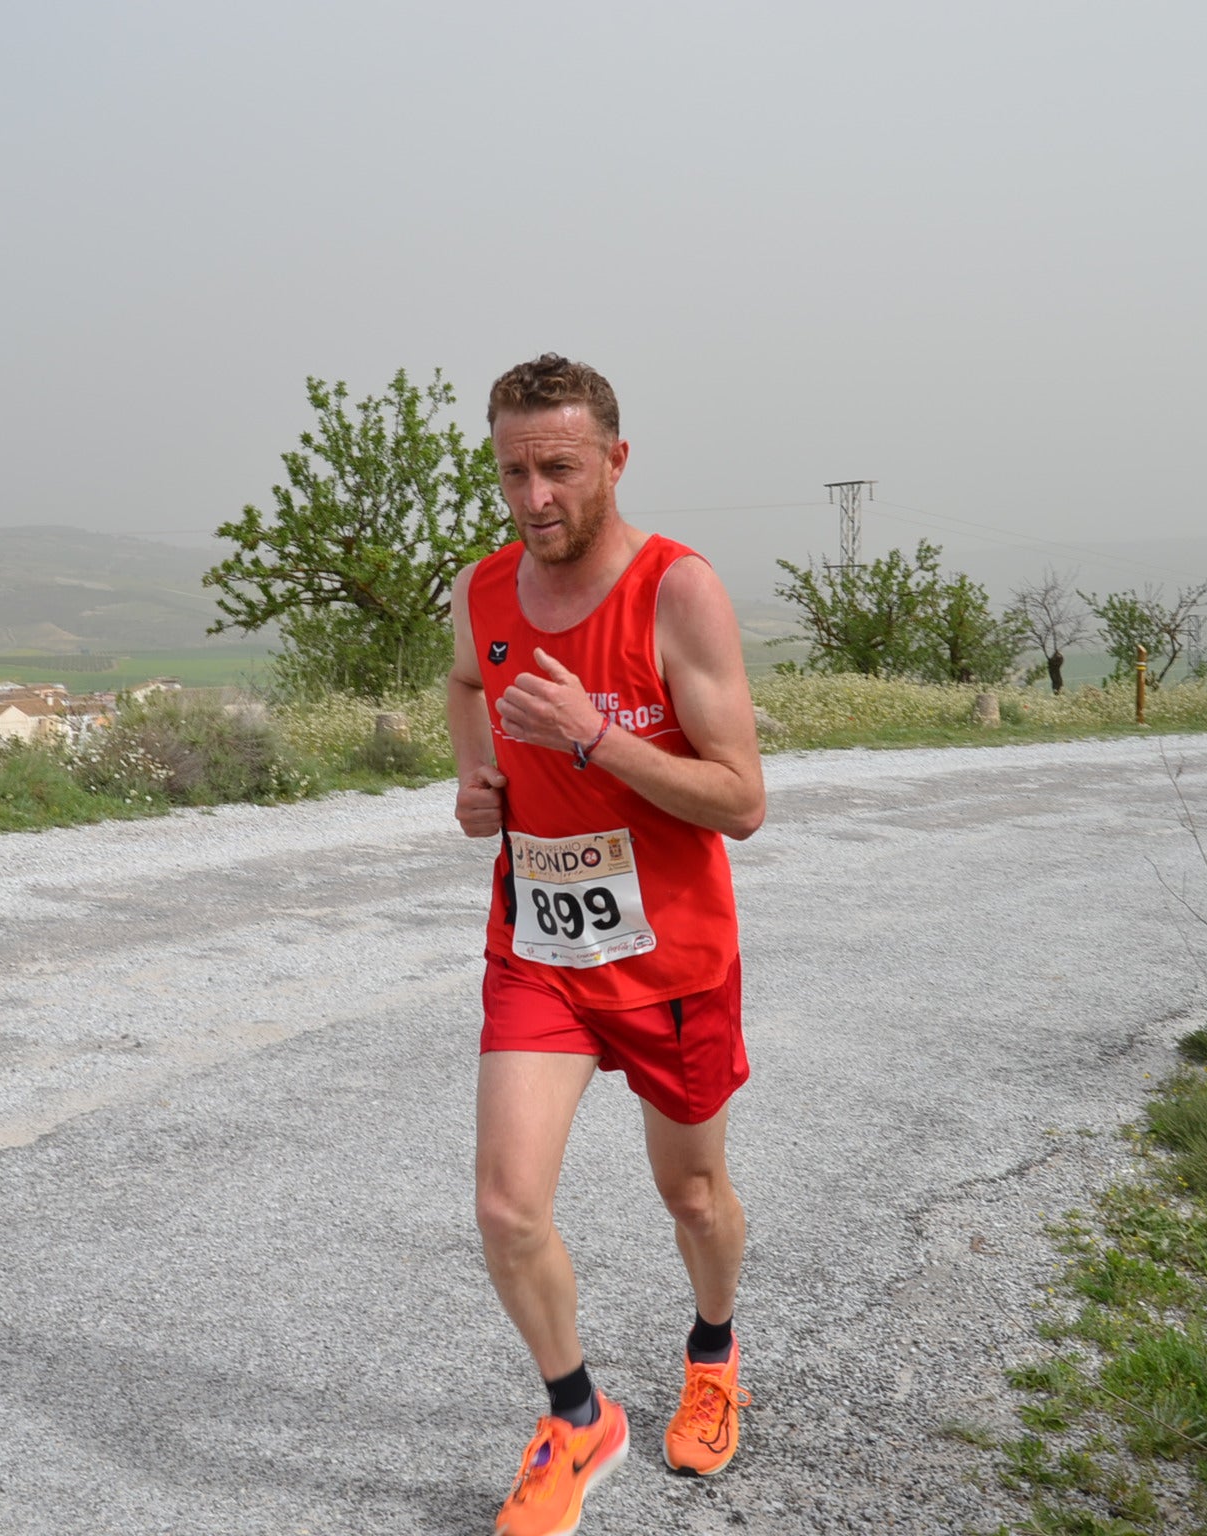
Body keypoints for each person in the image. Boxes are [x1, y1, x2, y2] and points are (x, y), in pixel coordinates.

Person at [448, 354, 766, 1535]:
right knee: (505, 1205)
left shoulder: (678, 592)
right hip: (539, 947)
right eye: (515, 471)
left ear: (616, 463)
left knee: (689, 1191)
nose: (535, 498)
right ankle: (578, 1417)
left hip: (673, 957)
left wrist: (592, 739)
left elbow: (739, 799)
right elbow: (467, 684)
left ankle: (715, 1351)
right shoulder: (481, 593)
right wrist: (475, 783)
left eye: (560, 470)